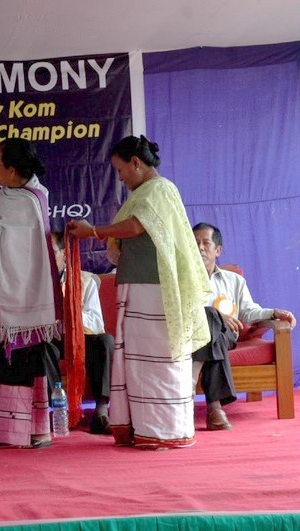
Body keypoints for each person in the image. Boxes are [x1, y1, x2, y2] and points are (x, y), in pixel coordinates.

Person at [68, 135, 211, 450]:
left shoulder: (159, 189)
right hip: (139, 287)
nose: (119, 178)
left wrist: (93, 231)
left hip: (155, 292)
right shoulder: (147, 191)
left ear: (135, 163)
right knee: (138, 362)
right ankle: (143, 428)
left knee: (157, 361)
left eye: (120, 170)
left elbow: (135, 227)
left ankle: (164, 431)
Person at [0, 138, 62, 450]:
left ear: (11, 171)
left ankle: (35, 431)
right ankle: (3, 432)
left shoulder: (29, 200)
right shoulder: (10, 195)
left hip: (24, 297)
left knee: (27, 359)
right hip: (2, 298)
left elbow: (1, 239)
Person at [192, 222, 297, 430]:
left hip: (227, 335)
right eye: (195, 243)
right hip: (193, 335)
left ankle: (194, 386)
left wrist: (273, 313)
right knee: (210, 315)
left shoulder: (234, 281)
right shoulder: (181, 279)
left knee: (216, 328)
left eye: (205, 243)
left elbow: (248, 311)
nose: (200, 248)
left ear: (218, 250)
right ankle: (214, 408)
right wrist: (217, 316)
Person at [51, 231, 114, 434]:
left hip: (80, 339)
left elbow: (96, 322)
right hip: (51, 339)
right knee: (43, 349)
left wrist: (71, 313)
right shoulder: (33, 283)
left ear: (64, 254)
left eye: (52, 252)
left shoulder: (85, 280)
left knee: (105, 341)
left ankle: (101, 411)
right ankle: (53, 411)